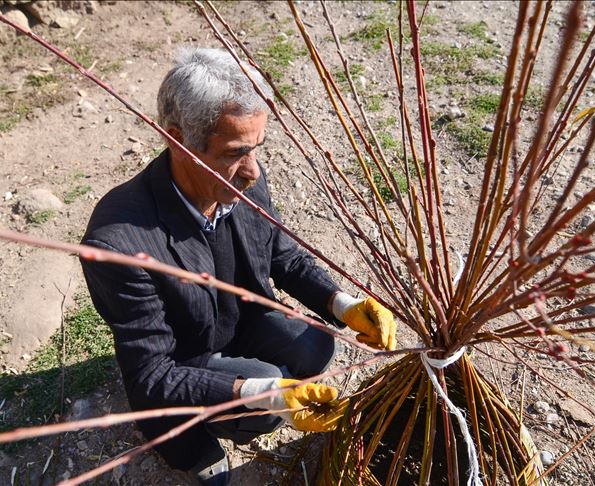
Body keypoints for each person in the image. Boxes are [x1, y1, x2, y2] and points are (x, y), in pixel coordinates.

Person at [80, 48, 397, 486]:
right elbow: (152, 376)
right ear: (177, 140)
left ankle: (240, 390)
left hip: (237, 319)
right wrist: (261, 392)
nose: (252, 170)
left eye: (257, 148)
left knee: (317, 347)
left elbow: (282, 256)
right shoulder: (119, 244)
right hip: (183, 357)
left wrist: (343, 306)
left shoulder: (242, 176)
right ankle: (187, 438)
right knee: (264, 399)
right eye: (235, 152)